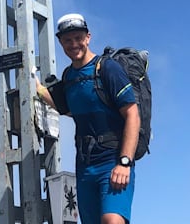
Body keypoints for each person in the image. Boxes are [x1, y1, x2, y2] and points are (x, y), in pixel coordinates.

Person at [37, 13, 140, 224]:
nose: (74, 44)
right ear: (60, 42)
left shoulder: (107, 69)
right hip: (85, 165)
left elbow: (132, 114)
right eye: (67, 40)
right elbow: (70, 110)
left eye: (78, 38)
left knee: (112, 220)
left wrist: (124, 162)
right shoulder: (68, 77)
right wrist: (37, 89)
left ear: (88, 37)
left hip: (112, 160)